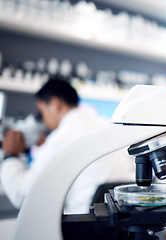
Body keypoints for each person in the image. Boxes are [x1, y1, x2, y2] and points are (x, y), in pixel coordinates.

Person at [0, 78, 134, 214]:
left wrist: (10, 155)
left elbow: (23, 196)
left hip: (83, 226)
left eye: (41, 113)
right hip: (116, 222)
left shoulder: (60, 138)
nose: (44, 121)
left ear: (54, 104)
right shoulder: (105, 125)